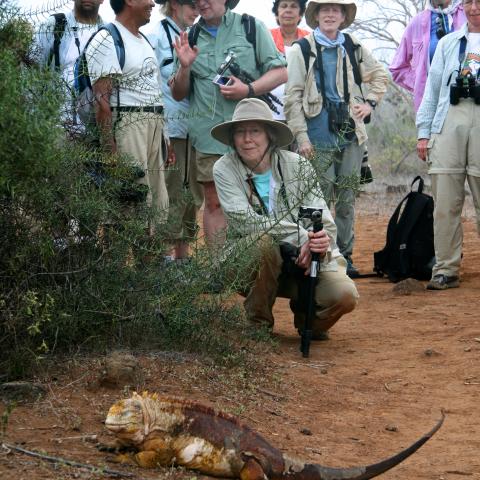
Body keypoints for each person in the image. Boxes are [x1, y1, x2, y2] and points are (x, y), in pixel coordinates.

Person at [212, 98, 359, 339]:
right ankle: (258, 323)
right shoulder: (224, 168)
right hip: (248, 262)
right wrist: (301, 236)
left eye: (255, 131)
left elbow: (321, 219)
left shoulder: (297, 164)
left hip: (300, 260)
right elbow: (245, 220)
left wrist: (316, 243)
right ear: (232, 137)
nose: (247, 139)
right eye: (240, 132)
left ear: (270, 135)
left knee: (344, 295)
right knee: (263, 243)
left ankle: (308, 318)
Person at [170, 0, 287, 251]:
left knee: (255, 198)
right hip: (208, 135)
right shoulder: (189, 36)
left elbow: (279, 72)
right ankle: (219, 271)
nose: (201, 3)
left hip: (251, 135)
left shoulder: (250, 27)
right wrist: (184, 66)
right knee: (214, 202)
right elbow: (178, 93)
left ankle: (257, 263)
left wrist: (248, 89)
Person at [284, 0, 388, 278]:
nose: (330, 14)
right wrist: (301, 137)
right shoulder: (301, 50)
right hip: (317, 137)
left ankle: (345, 256)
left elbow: (381, 76)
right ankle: (311, 256)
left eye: (336, 10)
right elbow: (292, 98)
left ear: (343, 16)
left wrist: (369, 104)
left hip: (350, 136)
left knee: (346, 200)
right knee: (315, 200)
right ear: (316, 16)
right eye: (324, 10)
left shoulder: (352, 46)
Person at [416, 0, 480, 290]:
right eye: (469, 1)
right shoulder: (447, 43)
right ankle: (446, 269)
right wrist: (423, 132)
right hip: (448, 119)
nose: (475, 8)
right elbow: (432, 88)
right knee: (445, 201)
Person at [85, 0, 169, 223]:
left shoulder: (144, 41)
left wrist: (164, 138)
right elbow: (101, 101)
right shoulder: (107, 38)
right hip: (128, 126)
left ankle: (150, 258)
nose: (152, 3)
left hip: (152, 127)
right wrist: (110, 153)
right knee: (127, 209)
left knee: (153, 209)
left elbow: (155, 91)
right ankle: (118, 258)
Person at [147, 0, 204, 260]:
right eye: (190, 4)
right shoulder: (155, 35)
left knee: (191, 193)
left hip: (194, 128)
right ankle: (163, 257)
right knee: (168, 192)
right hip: (170, 128)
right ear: (174, 5)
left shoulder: (194, 36)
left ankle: (183, 256)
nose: (196, 10)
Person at [36, 0, 104, 135]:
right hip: (55, 129)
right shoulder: (55, 24)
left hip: (95, 133)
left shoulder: (108, 32)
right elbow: (31, 71)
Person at [390, 0, 466, 112]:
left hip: (466, 103)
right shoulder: (417, 23)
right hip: (431, 108)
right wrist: (421, 84)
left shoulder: (470, 12)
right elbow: (397, 68)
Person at [269, 0, 309, 121]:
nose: (288, 10)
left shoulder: (310, 39)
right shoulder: (266, 36)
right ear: (277, 13)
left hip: (302, 112)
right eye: (283, 6)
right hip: (270, 112)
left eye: (294, 6)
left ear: (301, 14)